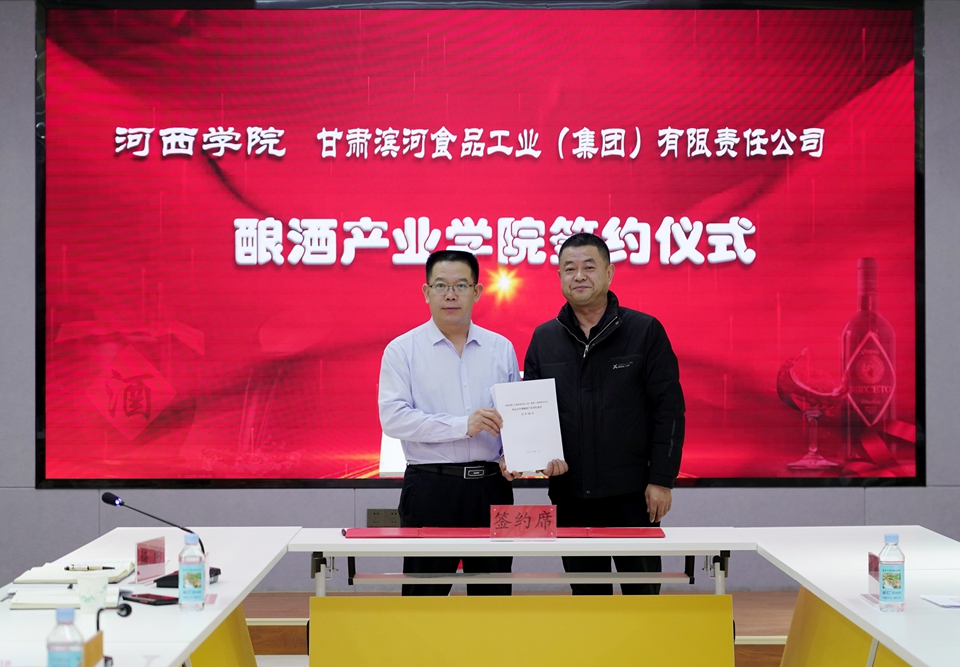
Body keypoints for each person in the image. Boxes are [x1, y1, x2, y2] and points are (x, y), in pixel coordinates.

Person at [523, 232, 685, 595]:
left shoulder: (644, 331)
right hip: (570, 495)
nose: (579, 275)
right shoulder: (544, 339)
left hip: (633, 495)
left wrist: (662, 480)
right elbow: (532, 414)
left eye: (589, 266)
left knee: (642, 596)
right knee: (588, 599)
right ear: (559, 277)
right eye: (569, 268)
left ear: (609, 273)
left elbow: (669, 410)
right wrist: (535, 458)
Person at [378, 249, 519, 596]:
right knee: (423, 598)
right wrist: (461, 425)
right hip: (431, 488)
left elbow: (514, 415)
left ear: (477, 291)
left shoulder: (501, 348)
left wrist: (515, 453)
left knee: (493, 598)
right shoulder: (402, 350)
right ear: (426, 292)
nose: (450, 294)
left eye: (461, 285)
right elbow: (393, 419)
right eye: (441, 285)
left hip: (491, 489)